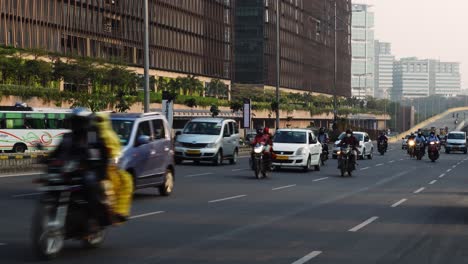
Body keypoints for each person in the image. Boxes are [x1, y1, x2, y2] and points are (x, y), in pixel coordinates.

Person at [50, 108, 111, 226]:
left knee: (90, 183)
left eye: (79, 121)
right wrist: (47, 159)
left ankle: (93, 219)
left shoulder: (92, 134)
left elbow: (95, 151)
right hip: (69, 169)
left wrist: (90, 161)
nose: (76, 124)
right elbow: (57, 152)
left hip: (88, 169)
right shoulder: (68, 136)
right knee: (51, 182)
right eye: (75, 121)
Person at [94, 112, 133, 223]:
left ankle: (118, 212)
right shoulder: (93, 134)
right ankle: (118, 212)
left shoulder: (107, 136)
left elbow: (115, 153)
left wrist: (113, 162)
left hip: (106, 167)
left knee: (124, 182)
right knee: (124, 182)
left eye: (99, 120)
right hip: (97, 167)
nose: (98, 123)